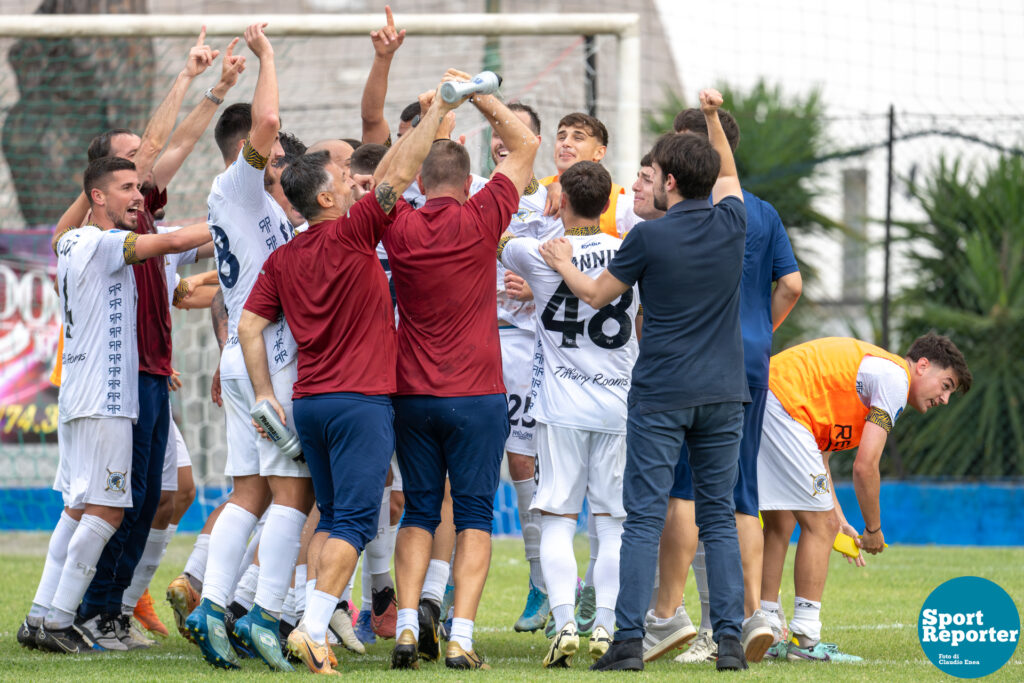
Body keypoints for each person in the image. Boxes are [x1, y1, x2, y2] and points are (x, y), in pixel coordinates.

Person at [240, 73, 462, 675]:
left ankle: (302, 618)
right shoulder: (354, 232)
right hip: (361, 401)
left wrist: (264, 393)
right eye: (342, 179)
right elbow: (397, 174)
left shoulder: (283, 257)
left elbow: (248, 328)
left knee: (335, 516)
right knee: (357, 521)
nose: (350, 180)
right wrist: (440, 110)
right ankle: (312, 630)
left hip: (309, 402)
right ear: (330, 200)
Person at [538, 89, 750, 671]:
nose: (646, 186)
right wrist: (710, 117)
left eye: (654, 177)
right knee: (718, 519)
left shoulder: (649, 237)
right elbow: (727, 172)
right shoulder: (734, 222)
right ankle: (729, 641)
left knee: (643, 519)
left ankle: (628, 641)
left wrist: (560, 262)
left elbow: (595, 293)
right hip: (725, 394)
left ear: (673, 183)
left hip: (660, 394)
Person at [19, 157, 210, 654]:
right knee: (107, 507)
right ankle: (61, 620)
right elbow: (168, 242)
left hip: (82, 395)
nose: (139, 195)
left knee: (83, 507)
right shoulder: (103, 242)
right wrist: (228, 217)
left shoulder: (68, 241)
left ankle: (42, 614)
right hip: (105, 398)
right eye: (127, 187)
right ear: (97, 198)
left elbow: (170, 259)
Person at [385, 80, 539, 671]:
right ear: (469, 178)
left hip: (412, 393)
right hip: (476, 394)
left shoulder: (396, 222)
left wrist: (436, 112)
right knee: (474, 515)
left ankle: (403, 629)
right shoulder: (483, 215)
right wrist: (476, 97)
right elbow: (525, 142)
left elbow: (390, 179)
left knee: (420, 511)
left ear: (422, 182)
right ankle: (462, 638)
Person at [644, 108, 803, 665]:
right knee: (741, 495)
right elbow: (792, 283)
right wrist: (761, 333)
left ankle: (670, 616)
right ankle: (754, 614)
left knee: (684, 493)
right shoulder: (757, 210)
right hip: (752, 360)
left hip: (699, 363)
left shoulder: (693, 213)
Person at [184, 23, 310, 672]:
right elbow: (268, 119)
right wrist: (265, 54)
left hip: (247, 354)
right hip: (268, 364)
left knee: (252, 491)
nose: (282, 162)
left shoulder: (264, 208)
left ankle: (212, 605)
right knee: (296, 492)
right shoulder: (236, 186)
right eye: (276, 155)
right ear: (248, 153)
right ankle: (262, 615)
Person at [500, 160, 639, 668]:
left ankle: (563, 624)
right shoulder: (631, 250)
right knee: (612, 522)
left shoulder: (537, 252)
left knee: (557, 517)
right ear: (608, 204)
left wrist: (544, 208)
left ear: (562, 203)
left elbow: (498, 234)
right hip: (619, 405)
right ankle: (603, 622)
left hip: (560, 409)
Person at [758, 333, 970, 662]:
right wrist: (873, 529)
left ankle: (766, 627)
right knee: (819, 525)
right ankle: (805, 641)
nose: (944, 399)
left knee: (783, 518)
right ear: (923, 366)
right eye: (945, 385)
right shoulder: (895, 378)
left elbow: (820, 462)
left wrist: (841, 521)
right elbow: (865, 467)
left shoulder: (866, 383)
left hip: (765, 393)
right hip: (782, 403)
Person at [538, 113, 640, 237]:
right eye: (561, 137)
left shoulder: (623, 206)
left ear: (599, 152)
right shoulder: (537, 191)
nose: (565, 143)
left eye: (578, 138)